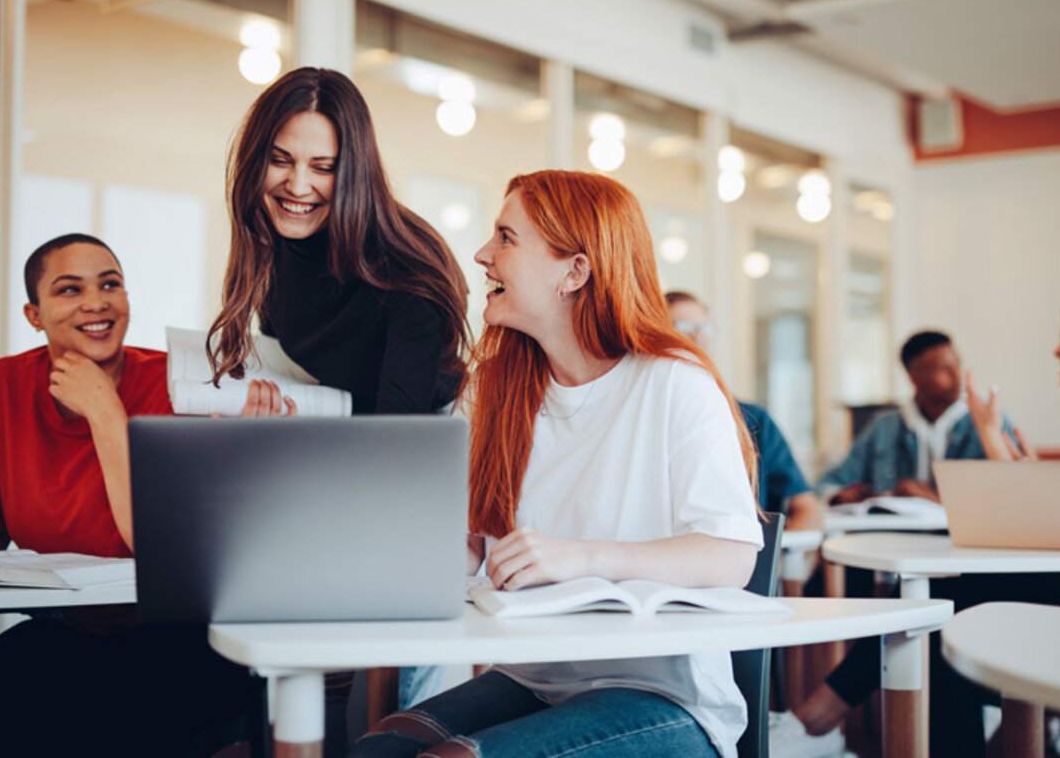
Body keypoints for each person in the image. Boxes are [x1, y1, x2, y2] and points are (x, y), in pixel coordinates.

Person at [350, 170, 763, 758]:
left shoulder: (676, 383)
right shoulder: (497, 391)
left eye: (506, 238)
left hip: (664, 698)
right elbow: (474, 544)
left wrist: (582, 557)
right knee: (377, 750)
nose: (483, 255)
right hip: (533, 679)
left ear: (575, 271)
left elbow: (731, 554)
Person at [777, 291, 1060, 757]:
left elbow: (1055, 516)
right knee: (946, 621)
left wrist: (992, 436)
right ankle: (817, 722)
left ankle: (816, 720)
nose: (1058, 349)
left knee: (949, 600)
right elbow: (1049, 514)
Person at [206, 66, 472, 748]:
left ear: (354, 170)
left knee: (388, 722)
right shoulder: (275, 248)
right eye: (281, 160)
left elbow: (398, 448)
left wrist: (293, 448)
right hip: (335, 479)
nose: (298, 186)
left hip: (421, 495)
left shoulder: (407, 266)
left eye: (322, 167)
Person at [0, 234, 262, 756]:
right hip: (70, 632)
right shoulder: (1, 386)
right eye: (70, 289)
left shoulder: (187, 386)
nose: (97, 302)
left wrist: (106, 413)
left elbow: (163, 551)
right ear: (34, 314)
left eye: (111, 284)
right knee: (5, 674)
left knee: (114, 713)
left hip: (184, 636)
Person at [665, 290, 822, 531]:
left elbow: (807, 507)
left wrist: (774, 559)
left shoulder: (753, 420)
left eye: (705, 329)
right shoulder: (647, 417)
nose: (698, 338)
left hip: (745, 559)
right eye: (684, 326)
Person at [817, 329, 1017, 504]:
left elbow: (1011, 498)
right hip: (894, 540)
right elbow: (827, 484)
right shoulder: (885, 427)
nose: (958, 376)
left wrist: (929, 497)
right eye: (944, 369)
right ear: (914, 377)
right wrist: (841, 496)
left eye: (957, 365)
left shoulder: (988, 420)